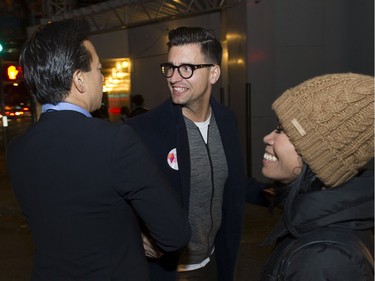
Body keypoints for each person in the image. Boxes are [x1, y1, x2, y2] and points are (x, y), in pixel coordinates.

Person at [6, 19, 190, 281]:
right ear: (79, 80)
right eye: (98, 69)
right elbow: (174, 234)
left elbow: (69, 218)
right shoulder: (114, 141)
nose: (103, 77)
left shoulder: (17, 150)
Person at [127, 26, 252, 281]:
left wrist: (272, 191)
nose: (174, 77)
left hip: (215, 263)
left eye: (187, 68)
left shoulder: (227, 121)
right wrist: (134, 234)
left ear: (214, 73)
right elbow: (113, 198)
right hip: (167, 272)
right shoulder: (144, 130)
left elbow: (232, 182)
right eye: (170, 68)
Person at [259, 73, 374, 280]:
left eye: (281, 130)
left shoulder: (325, 260)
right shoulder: (314, 229)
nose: (267, 137)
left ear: (317, 156)